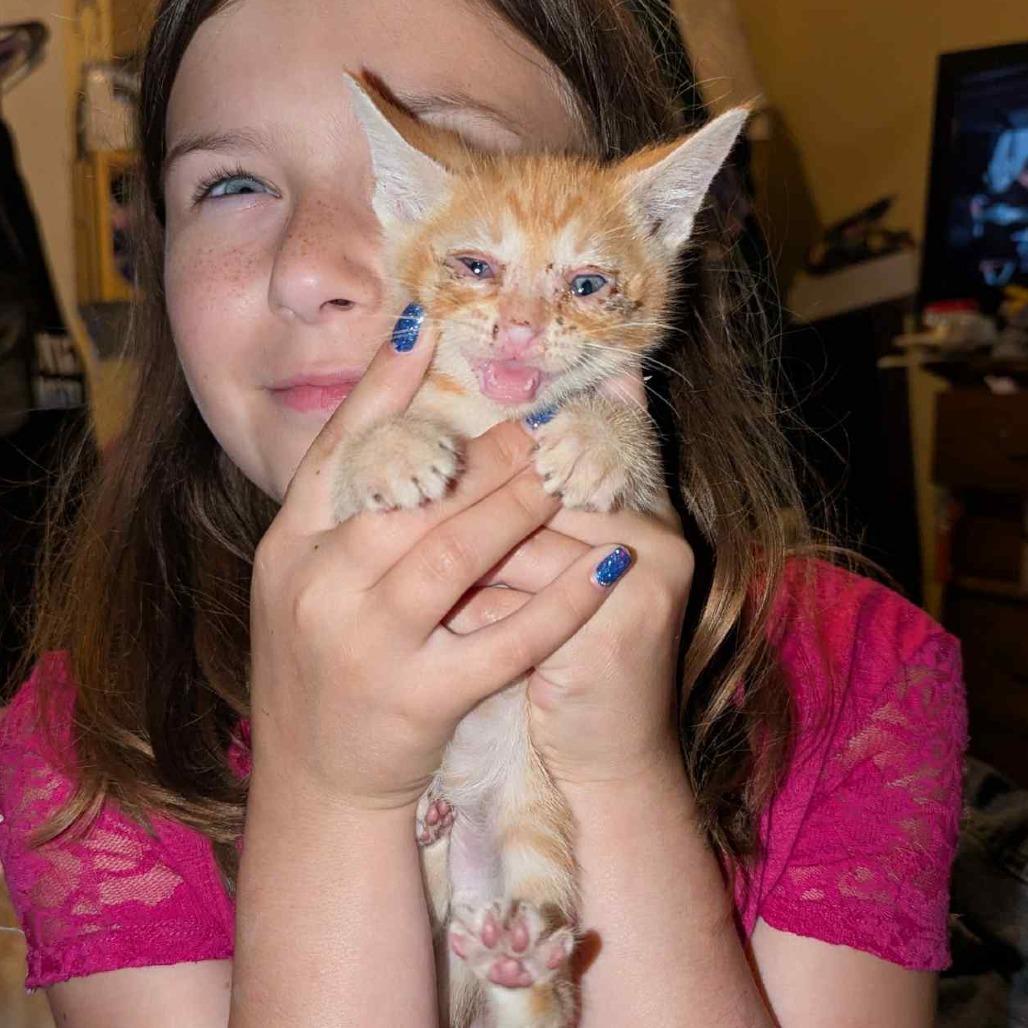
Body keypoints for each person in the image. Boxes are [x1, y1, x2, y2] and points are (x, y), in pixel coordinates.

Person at [0, 1, 967, 1025]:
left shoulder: (863, 676)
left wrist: (617, 769)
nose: (313, 267)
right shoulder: (87, 741)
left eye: (439, 165)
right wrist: (330, 793)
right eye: (231, 183)